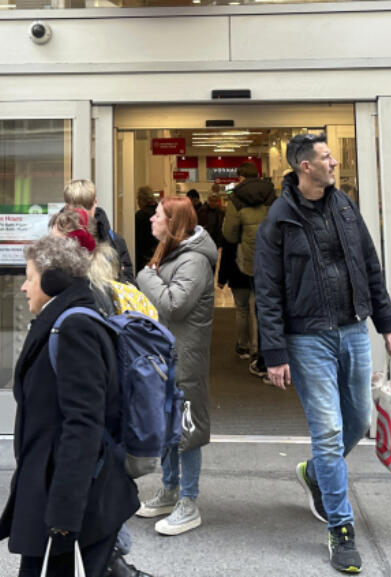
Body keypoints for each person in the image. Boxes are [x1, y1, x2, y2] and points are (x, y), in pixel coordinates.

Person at [255, 133, 391, 574]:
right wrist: (275, 351)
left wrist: (386, 322)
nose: (334, 162)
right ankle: (341, 529)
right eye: (325, 157)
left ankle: (316, 474)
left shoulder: (345, 206)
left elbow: (368, 263)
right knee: (330, 432)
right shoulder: (278, 220)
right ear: (305, 167)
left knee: (357, 420)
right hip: (307, 339)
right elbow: (267, 292)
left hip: (353, 329)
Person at [0, 235, 139, 577]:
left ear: (53, 279)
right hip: (55, 490)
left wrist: (63, 514)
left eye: (29, 277)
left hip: (69, 501)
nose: (23, 288)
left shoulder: (75, 329)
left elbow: (83, 424)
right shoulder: (65, 321)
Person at [134, 197, 216, 536]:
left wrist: (146, 277)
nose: (151, 220)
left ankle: (188, 501)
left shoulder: (194, 260)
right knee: (169, 424)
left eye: (157, 215)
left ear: (173, 221)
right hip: (167, 355)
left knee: (187, 428)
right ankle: (168, 490)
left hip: (184, 357)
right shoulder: (173, 254)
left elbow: (174, 304)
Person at [222, 162, 275, 372]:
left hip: (246, 260)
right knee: (260, 308)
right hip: (270, 259)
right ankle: (258, 350)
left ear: (241, 177)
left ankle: (243, 346)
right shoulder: (272, 196)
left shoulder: (235, 199)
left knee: (243, 308)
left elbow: (229, 234)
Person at [64, 179, 134, 282]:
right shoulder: (58, 239)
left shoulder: (115, 241)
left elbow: (127, 281)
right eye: (77, 208)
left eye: (87, 206)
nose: (84, 213)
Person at [133, 186, 158, 274]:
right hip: (158, 258)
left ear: (141, 200)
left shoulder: (140, 216)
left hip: (143, 261)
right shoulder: (160, 212)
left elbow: (136, 241)